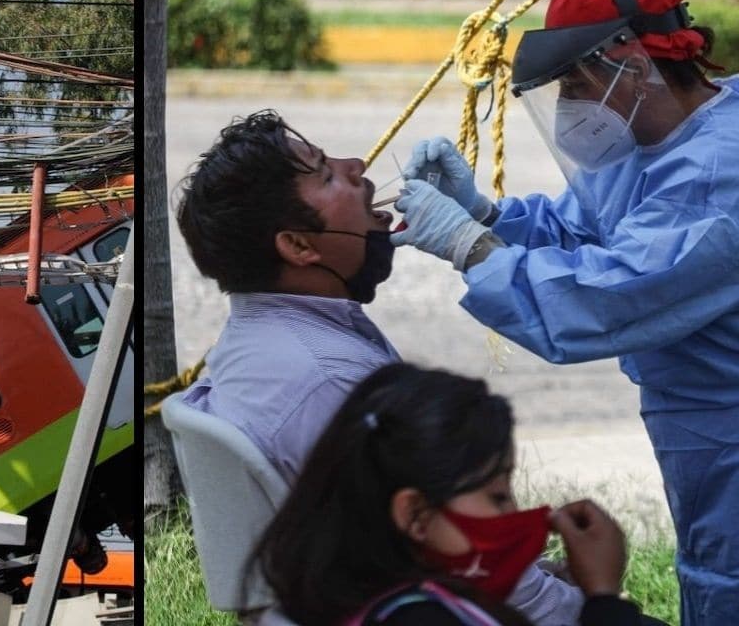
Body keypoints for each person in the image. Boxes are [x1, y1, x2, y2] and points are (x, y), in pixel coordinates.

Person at [389, 0, 739, 625]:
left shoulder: (720, 173)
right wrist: (487, 216)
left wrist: (467, 246)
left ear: (633, 64)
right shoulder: (648, 142)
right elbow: (585, 228)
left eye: (577, 83)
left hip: (728, 421)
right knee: (712, 578)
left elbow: (603, 299)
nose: (572, 104)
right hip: (698, 423)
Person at [175, 111, 584, 625]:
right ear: (299, 246)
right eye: (326, 174)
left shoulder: (256, 343)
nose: (358, 165)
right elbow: (470, 552)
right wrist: (594, 608)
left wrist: (480, 215)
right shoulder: (335, 378)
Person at [254, 363, 643, 626]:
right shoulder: (420, 619)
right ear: (415, 515)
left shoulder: (352, 595)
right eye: (497, 495)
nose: (520, 514)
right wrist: (604, 598)